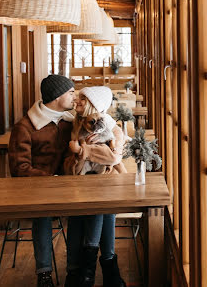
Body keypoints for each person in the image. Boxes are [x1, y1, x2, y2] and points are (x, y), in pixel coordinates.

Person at [8, 74, 76, 287]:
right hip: (36, 189)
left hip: (69, 186)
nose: (75, 96)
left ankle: (75, 270)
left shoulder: (70, 122)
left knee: (84, 211)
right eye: (71, 92)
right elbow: (20, 168)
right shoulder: (25, 127)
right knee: (43, 214)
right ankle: (44, 273)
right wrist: (52, 180)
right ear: (57, 97)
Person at [63, 86, 127, 287]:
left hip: (102, 186)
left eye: (81, 99)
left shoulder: (111, 128)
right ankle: (105, 268)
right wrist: (81, 153)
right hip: (79, 183)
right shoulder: (74, 123)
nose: (76, 102)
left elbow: (113, 156)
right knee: (91, 210)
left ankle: (86, 271)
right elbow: (71, 166)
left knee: (101, 207)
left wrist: (84, 150)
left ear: (93, 106)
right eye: (77, 98)